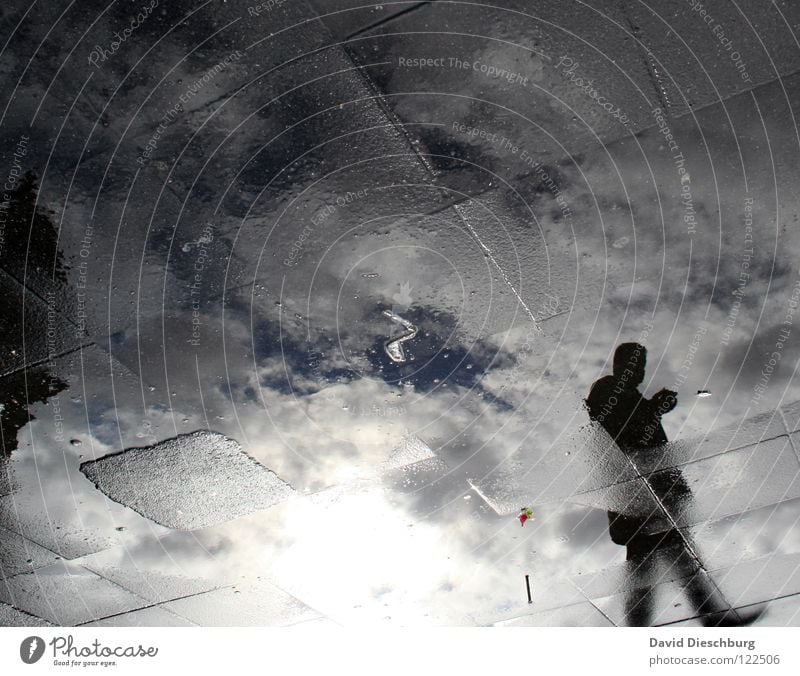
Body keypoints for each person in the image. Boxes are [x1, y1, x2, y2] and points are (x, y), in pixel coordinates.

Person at [586, 343, 759, 626]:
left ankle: (707, 618)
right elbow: (616, 432)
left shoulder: (627, 396)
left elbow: (636, 432)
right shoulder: (607, 390)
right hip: (639, 494)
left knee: (661, 562)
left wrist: (654, 408)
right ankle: (709, 618)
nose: (641, 371)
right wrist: (653, 408)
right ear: (622, 364)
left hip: (652, 493)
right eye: (637, 364)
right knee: (655, 564)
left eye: (642, 365)